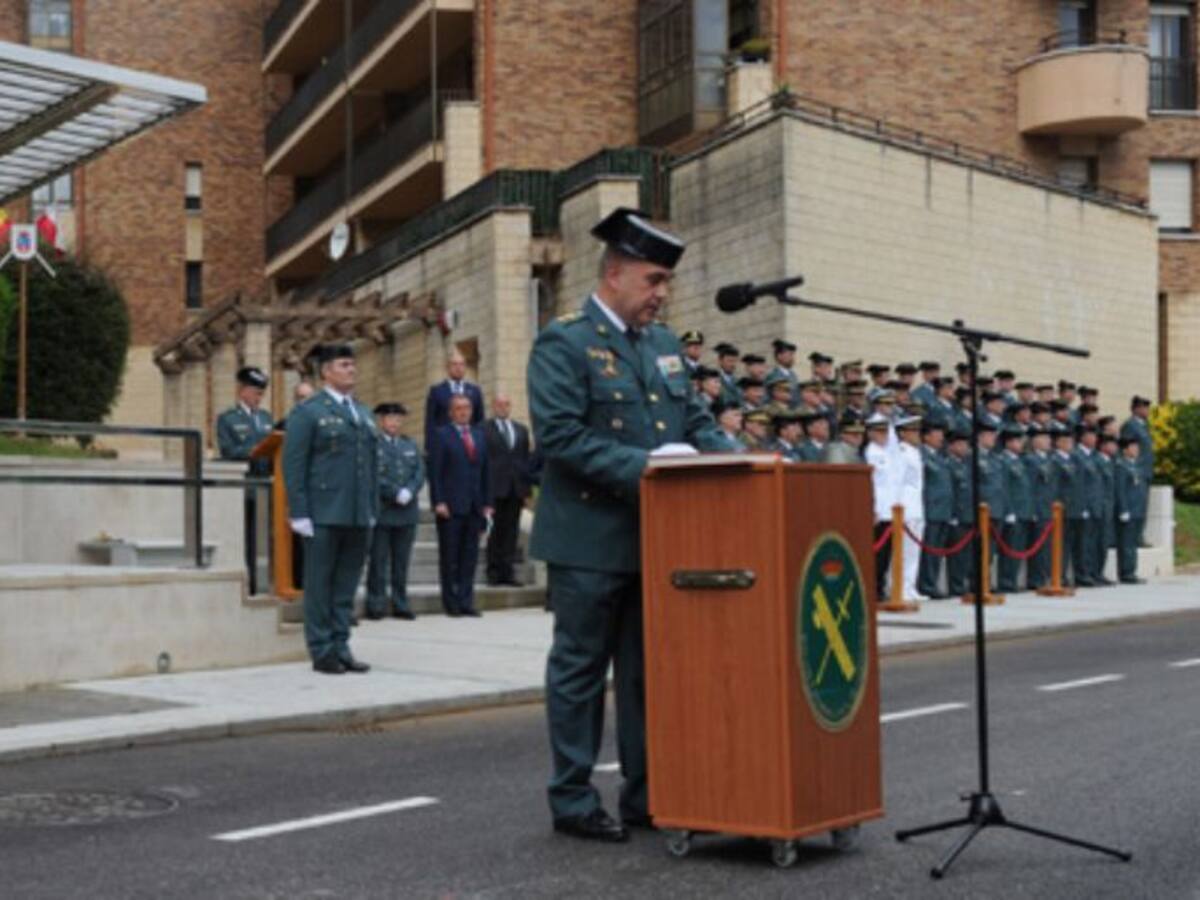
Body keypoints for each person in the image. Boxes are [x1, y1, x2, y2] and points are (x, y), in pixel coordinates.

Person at [527, 207, 730, 843]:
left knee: (648, 672)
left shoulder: (664, 345)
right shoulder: (565, 341)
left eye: (666, 282)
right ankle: (572, 798)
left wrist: (740, 459)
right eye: (653, 280)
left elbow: (693, 420)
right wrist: (647, 466)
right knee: (581, 669)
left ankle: (645, 794)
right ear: (614, 274)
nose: (662, 294)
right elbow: (560, 436)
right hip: (588, 540)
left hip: (658, 540)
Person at [283, 344, 377, 675]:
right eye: (344, 364)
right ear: (326, 371)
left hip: (356, 512)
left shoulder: (362, 412)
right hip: (323, 512)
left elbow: (371, 463)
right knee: (320, 584)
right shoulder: (308, 412)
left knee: (346, 584)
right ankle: (321, 649)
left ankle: (341, 645)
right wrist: (299, 512)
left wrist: (372, 507)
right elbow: (294, 465)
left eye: (353, 364)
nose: (352, 369)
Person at [429, 393, 493, 617]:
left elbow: (486, 471)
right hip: (451, 506)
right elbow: (435, 471)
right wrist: (438, 501)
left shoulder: (479, 435)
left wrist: (488, 503)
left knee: (470, 557)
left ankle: (467, 601)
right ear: (451, 412)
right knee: (450, 557)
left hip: (475, 506)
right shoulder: (441, 435)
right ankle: (451, 602)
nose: (464, 411)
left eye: (467, 407)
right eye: (459, 408)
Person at [215, 365, 275, 595]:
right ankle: (246, 584)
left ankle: (263, 582)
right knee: (245, 538)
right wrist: (254, 450)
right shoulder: (227, 419)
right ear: (242, 390)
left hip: (265, 487)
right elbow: (228, 450)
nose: (259, 398)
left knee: (264, 538)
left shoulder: (266, 418)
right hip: (243, 489)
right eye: (255, 392)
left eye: (261, 393)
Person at [366, 402, 424, 620]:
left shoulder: (409, 444)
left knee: (401, 562)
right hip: (383, 511)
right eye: (390, 419)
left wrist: (410, 490)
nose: (394, 423)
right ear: (382, 422)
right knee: (378, 562)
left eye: (398, 419)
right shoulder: (375, 445)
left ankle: (401, 603)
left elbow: (419, 471)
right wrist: (393, 492)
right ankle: (376, 604)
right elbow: (372, 475)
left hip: (406, 512)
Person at [483, 394, 535, 586]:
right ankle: (494, 572)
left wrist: (527, 490)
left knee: (511, 532)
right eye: (499, 404)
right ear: (493, 407)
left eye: (506, 404)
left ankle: (508, 572)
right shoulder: (484, 429)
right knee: (495, 532)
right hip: (495, 488)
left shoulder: (521, 430)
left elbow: (525, 461)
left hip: (516, 489)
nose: (503, 408)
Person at [424, 350, 485, 454]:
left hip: (470, 446)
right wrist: (431, 448)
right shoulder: (436, 391)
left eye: (462, 364)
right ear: (447, 367)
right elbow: (431, 422)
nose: (458, 368)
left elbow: (480, 420)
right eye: (454, 364)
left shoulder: (475, 391)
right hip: (445, 446)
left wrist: (481, 444)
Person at [917, 421, 952, 599]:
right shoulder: (920, 455)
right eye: (936, 434)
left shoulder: (939, 456)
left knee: (937, 551)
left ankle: (932, 583)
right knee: (929, 551)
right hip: (930, 508)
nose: (941, 438)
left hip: (943, 510)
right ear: (926, 436)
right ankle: (926, 585)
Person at [996, 424, 1032, 593]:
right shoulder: (1003, 461)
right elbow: (1005, 488)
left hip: (1023, 510)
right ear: (1008, 443)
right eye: (1017, 441)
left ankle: (1012, 579)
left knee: (1018, 549)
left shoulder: (1019, 460)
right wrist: (1009, 510)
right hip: (1012, 512)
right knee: (1009, 550)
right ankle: (1006, 581)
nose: (1020, 444)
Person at [864, 413, 896, 602]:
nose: (883, 435)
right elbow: (872, 482)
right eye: (878, 432)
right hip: (878, 510)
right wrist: (873, 507)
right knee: (877, 553)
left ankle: (881, 586)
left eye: (885, 431)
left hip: (890, 510)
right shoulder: (871, 453)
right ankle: (874, 588)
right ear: (871, 433)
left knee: (887, 554)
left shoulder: (888, 453)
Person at [895, 415, 925, 601]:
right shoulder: (900, 452)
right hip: (905, 505)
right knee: (903, 551)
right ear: (902, 433)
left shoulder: (915, 452)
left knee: (914, 550)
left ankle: (910, 586)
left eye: (917, 431)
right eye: (912, 431)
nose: (916, 435)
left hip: (916, 505)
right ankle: (898, 587)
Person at [1024, 423, 1056, 591]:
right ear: (1035, 441)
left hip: (1048, 508)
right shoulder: (1030, 460)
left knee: (1047, 547)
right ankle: (1036, 578)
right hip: (1038, 508)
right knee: (1038, 547)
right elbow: (1030, 487)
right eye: (1044, 438)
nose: (1048, 441)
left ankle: (1046, 576)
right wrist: (1033, 509)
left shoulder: (1048, 460)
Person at [1120, 396, 1154, 545]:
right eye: (1143, 407)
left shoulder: (1144, 425)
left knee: (1142, 505)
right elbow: (1127, 447)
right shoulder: (1130, 425)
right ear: (1135, 409)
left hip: (1145, 471)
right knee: (1134, 505)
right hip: (1135, 471)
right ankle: (1134, 537)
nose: (1146, 411)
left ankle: (1139, 535)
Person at [1114, 437, 1147, 584]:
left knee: (1133, 543)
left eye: (1137, 447)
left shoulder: (1136, 466)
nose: (1136, 450)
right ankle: (1126, 572)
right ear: (1125, 450)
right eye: (1133, 447)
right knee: (1126, 543)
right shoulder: (1121, 466)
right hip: (1129, 510)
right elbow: (1120, 489)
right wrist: (1123, 509)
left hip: (1138, 509)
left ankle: (1132, 570)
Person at [946, 429, 973, 597]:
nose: (965, 448)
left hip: (969, 514)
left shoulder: (966, 464)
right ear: (952, 446)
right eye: (961, 444)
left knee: (968, 555)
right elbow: (950, 491)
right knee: (956, 555)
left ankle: (965, 583)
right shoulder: (948, 464)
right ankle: (956, 586)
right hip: (957, 514)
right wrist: (953, 514)